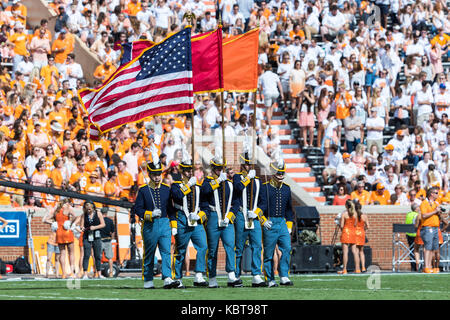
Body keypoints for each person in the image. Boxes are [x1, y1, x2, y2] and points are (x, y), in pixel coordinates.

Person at [134, 154, 180, 289]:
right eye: (154, 174)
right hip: (150, 225)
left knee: (166, 252)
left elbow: (171, 209)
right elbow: (138, 209)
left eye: (158, 173)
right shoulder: (143, 190)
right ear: (149, 174)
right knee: (149, 252)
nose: (157, 177)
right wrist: (150, 214)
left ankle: (167, 277)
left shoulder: (166, 189)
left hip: (165, 223)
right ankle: (148, 279)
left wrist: (173, 224)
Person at [200, 155, 241, 288]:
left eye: (221, 168)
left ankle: (231, 275)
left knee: (230, 246)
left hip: (227, 218)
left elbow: (236, 202)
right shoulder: (207, 181)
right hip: (213, 216)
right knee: (212, 249)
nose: (219, 170)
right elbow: (205, 192)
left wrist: (230, 216)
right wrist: (217, 182)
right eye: (217, 168)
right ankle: (212, 277)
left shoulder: (229, 184)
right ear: (212, 168)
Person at [170, 158, 208, 288]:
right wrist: (188, 186)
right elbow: (177, 196)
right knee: (181, 250)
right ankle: (177, 277)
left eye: (190, 170)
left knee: (203, 246)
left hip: (196, 220)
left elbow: (205, 205)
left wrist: (199, 216)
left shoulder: (198, 186)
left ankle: (198, 274)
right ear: (182, 171)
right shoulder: (176, 185)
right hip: (182, 218)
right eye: (186, 170)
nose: (189, 172)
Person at [232, 151, 266, 287]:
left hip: (254, 217)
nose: (248, 166)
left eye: (250, 164)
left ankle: (256, 274)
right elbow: (238, 188)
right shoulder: (237, 177)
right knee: (239, 247)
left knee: (257, 245)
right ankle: (236, 274)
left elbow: (263, 202)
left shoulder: (258, 181)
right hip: (241, 215)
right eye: (246, 164)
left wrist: (257, 212)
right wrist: (247, 179)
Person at [259, 159, 294, 287]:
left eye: (282, 173)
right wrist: (263, 221)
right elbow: (259, 207)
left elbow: (289, 210)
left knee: (287, 249)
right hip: (270, 222)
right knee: (268, 253)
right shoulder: (265, 188)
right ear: (273, 173)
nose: (281, 175)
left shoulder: (286, 189)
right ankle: (269, 278)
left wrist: (289, 225)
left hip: (282, 223)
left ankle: (284, 275)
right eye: (279, 173)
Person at [45, 198, 77, 279]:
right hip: (67, 231)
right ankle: (72, 272)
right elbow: (75, 216)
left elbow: (46, 219)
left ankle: (63, 273)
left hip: (59, 233)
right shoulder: (68, 209)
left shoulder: (56, 210)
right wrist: (70, 222)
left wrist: (54, 223)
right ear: (66, 203)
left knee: (62, 253)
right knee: (71, 253)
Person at [79, 200, 105, 279]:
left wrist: (95, 227)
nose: (88, 209)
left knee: (97, 255)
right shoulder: (84, 215)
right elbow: (81, 225)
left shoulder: (98, 213)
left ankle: (99, 273)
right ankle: (85, 273)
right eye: (86, 207)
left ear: (93, 207)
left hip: (96, 236)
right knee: (86, 254)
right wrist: (82, 228)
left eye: (89, 207)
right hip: (87, 236)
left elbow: (103, 224)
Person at [419, 187, 443, 273]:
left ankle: (432, 266)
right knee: (428, 248)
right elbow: (424, 215)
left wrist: (439, 212)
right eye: (436, 193)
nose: (438, 194)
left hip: (436, 228)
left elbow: (438, 216)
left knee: (434, 248)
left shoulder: (436, 203)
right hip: (428, 227)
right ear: (431, 194)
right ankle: (427, 266)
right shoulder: (424, 203)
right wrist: (434, 211)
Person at [338, 199, 359, 274]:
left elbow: (342, 225)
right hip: (353, 232)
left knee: (345, 252)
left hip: (346, 232)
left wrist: (339, 225)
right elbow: (355, 224)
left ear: (346, 205)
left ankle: (344, 269)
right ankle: (357, 269)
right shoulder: (355, 213)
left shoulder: (344, 214)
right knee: (355, 252)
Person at [99, 207, 115, 278]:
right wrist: (112, 238)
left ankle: (97, 272)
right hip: (107, 240)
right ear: (106, 213)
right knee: (110, 257)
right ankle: (111, 272)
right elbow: (113, 231)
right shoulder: (110, 221)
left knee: (98, 257)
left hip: (99, 240)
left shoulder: (98, 220)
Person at [354, 201, 369, 272]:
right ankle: (363, 267)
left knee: (356, 251)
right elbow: (368, 226)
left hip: (355, 233)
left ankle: (357, 268)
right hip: (362, 233)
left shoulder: (354, 216)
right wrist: (363, 229)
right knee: (361, 251)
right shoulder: (365, 216)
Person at [405, 203, 420, 271]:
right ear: (416, 209)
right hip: (415, 235)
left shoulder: (408, 214)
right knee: (417, 250)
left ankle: (413, 267)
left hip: (408, 234)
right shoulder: (417, 215)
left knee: (411, 250)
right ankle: (419, 266)